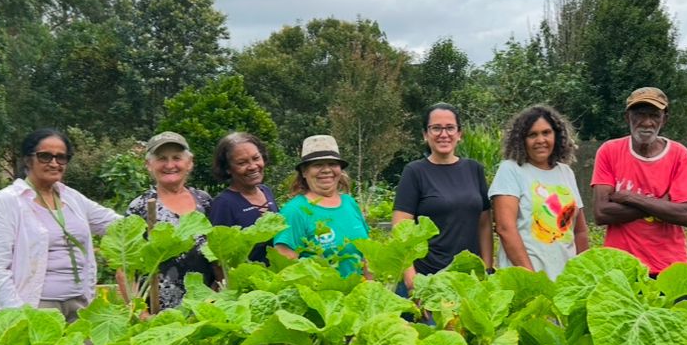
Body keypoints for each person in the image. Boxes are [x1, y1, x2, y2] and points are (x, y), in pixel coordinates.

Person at [0, 128, 120, 320]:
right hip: (34, 306)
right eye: (45, 156)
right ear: (28, 160)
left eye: (61, 157)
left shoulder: (71, 198)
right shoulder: (7, 202)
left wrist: (163, 212)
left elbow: (116, 224)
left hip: (79, 304)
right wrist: (19, 315)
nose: (54, 163)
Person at [591, 87, 687, 275]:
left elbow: (686, 215)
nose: (647, 122)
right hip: (621, 268)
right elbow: (601, 213)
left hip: (669, 267)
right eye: (640, 114)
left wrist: (630, 198)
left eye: (654, 115)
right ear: (627, 117)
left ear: (664, 119)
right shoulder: (609, 151)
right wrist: (661, 205)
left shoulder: (679, 155)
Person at [392, 103, 493, 294]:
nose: (443, 134)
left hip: (468, 280)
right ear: (425, 134)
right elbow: (401, 228)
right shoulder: (415, 172)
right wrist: (411, 279)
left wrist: (486, 269)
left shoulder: (474, 169)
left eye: (449, 128)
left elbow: (484, 224)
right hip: (428, 279)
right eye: (436, 128)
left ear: (459, 134)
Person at [489, 104, 589, 279]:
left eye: (546, 133)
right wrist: (533, 280)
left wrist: (584, 274)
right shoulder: (511, 170)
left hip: (565, 280)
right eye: (532, 135)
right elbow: (505, 228)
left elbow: (579, 230)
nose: (540, 140)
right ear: (521, 140)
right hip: (525, 281)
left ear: (557, 136)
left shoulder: (565, 172)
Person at [121, 131, 215, 311]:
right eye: (162, 158)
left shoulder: (205, 202)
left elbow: (217, 258)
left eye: (177, 158)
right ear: (149, 164)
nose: (170, 165)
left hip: (202, 312)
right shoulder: (140, 207)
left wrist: (214, 299)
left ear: (189, 163)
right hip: (158, 316)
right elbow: (124, 269)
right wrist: (140, 314)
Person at [275, 135, 370, 278]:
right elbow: (286, 271)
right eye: (317, 165)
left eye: (332, 164)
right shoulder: (294, 211)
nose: (326, 170)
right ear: (304, 172)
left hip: (356, 297)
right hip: (319, 298)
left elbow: (366, 255)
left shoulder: (350, 203)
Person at [207, 132, 280, 264]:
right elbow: (218, 256)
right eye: (242, 163)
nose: (253, 166)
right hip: (245, 281)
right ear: (228, 169)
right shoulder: (224, 203)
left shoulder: (266, 191)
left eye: (256, 158)